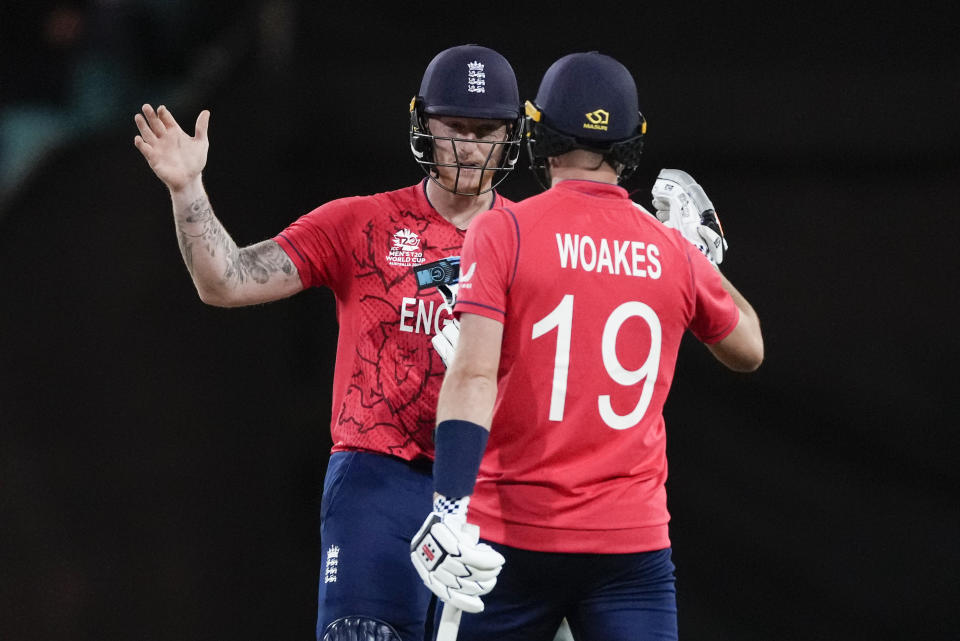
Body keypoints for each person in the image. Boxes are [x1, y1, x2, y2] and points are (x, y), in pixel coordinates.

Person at [133, 44, 524, 641]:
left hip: (492, 484)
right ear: (425, 125)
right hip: (379, 478)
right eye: (454, 127)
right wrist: (187, 188)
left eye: (486, 129)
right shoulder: (361, 223)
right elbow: (227, 280)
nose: (469, 146)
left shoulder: (533, 239)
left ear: (511, 134)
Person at [410, 51, 764, 640]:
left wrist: (449, 504)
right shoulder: (669, 250)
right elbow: (749, 347)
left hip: (512, 533)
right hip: (630, 548)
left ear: (538, 130)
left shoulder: (505, 229)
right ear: (631, 142)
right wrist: (695, 255)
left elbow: (471, 377)